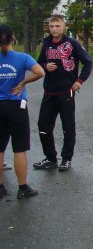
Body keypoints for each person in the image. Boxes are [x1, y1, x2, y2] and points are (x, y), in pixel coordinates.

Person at [33, 15, 93, 172]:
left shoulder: (72, 44)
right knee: (43, 125)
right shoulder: (46, 43)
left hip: (67, 91)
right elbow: (38, 63)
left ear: (64, 27)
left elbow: (88, 62)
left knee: (68, 127)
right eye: (51, 26)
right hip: (49, 91)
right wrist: (45, 67)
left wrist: (80, 80)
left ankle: (66, 159)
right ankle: (50, 158)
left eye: (57, 26)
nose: (54, 29)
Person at [0, 24, 44, 199]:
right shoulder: (22, 57)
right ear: (13, 38)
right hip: (16, 106)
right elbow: (40, 72)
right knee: (19, 148)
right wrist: (23, 82)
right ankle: (23, 188)